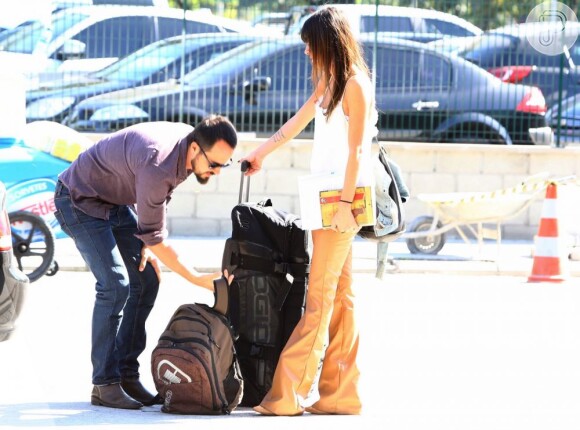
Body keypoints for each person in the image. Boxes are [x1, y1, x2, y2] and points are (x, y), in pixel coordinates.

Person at [241, 7, 378, 416]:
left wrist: (343, 207)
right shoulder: (330, 82)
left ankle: (287, 396)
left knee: (317, 299)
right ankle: (340, 395)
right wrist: (260, 153)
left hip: (341, 202)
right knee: (340, 296)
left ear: (328, 42)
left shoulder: (355, 84)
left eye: (309, 43)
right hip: (328, 199)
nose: (304, 51)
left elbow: (356, 151)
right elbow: (296, 123)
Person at [53, 115, 236, 410]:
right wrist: (195, 278)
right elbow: (154, 186)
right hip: (79, 200)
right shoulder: (160, 162)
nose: (216, 172)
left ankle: (126, 375)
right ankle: (104, 384)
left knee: (147, 279)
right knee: (115, 286)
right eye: (213, 164)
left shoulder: (187, 147)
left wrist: (149, 240)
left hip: (113, 202)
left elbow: (157, 202)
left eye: (223, 166)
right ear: (194, 149)